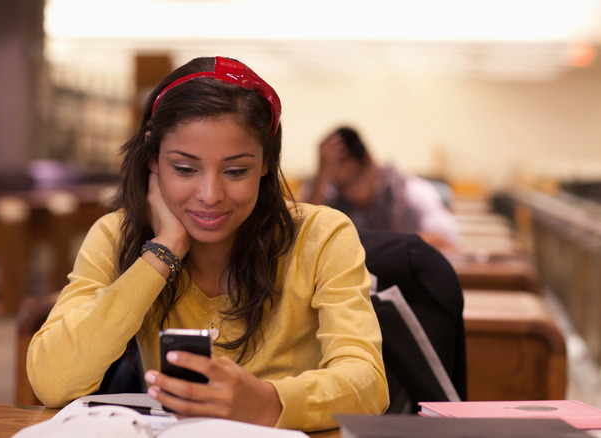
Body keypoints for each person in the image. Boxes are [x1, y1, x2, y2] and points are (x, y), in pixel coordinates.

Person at [26, 57, 389, 432]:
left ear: (266, 162)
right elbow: (54, 381)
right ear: (153, 158)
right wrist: (162, 251)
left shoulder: (322, 236)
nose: (210, 195)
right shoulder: (117, 234)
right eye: (184, 169)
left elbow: (368, 384)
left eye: (236, 171)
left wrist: (268, 402)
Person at [305, 126, 460, 250]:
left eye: (356, 179)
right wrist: (321, 176)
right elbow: (305, 236)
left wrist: (384, 245)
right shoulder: (333, 196)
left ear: (369, 161)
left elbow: (448, 241)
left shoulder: (410, 192)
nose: (352, 193)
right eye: (343, 186)